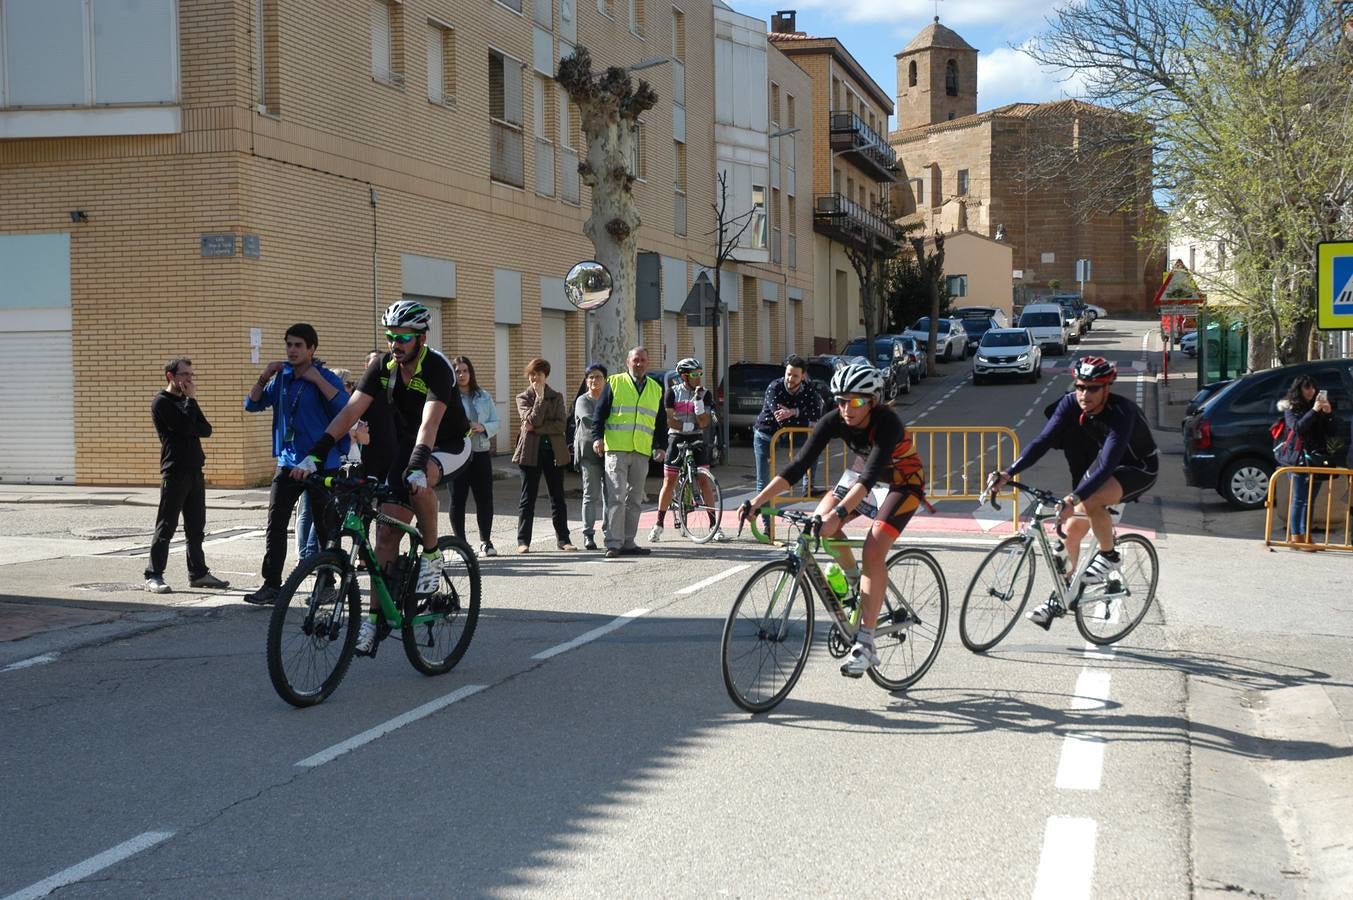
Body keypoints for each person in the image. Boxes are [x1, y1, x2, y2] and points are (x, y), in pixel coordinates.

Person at [292, 300, 471, 654]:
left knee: (420, 484)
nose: (395, 343)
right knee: (385, 533)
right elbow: (350, 412)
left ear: (421, 337)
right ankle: (374, 623)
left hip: (448, 444)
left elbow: (430, 424)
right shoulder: (382, 366)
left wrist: (418, 466)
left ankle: (432, 555)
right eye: (390, 336)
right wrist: (315, 454)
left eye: (403, 336)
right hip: (408, 447)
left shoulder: (436, 367)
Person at [737, 364, 928, 677]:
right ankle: (856, 585)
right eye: (841, 401)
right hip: (861, 477)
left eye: (855, 402)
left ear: (873, 401)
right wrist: (755, 502)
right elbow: (798, 467)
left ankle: (866, 643)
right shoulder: (834, 418)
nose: (846, 409)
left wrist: (838, 515)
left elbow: (866, 481)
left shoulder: (887, 422)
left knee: (873, 549)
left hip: (900, 482)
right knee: (818, 523)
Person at [989, 356, 1158, 628]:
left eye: (1093, 388)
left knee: (1090, 498)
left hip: (1139, 468)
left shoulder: (1121, 412)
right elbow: (1042, 441)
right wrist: (1009, 472)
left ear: (1107, 388)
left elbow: (1107, 466)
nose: (1084, 394)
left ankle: (1109, 556)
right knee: (1070, 531)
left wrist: (1073, 497)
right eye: (1080, 386)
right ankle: (1060, 598)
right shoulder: (1070, 403)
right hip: (1106, 468)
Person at [242, 325, 349, 605]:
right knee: (275, 524)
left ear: (312, 349)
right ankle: (272, 585)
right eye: (289, 344)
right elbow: (251, 405)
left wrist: (317, 379)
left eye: (298, 345)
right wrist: (264, 376)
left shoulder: (325, 377)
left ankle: (326, 583)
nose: (292, 350)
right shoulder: (282, 378)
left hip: (321, 464)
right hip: (288, 463)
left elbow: (345, 408)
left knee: (326, 527)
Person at [145, 358, 230, 594]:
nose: (190, 379)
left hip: (195, 471)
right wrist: (191, 403)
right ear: (170, 376)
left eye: (192, 375)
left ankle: (198, 573)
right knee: (167, 526)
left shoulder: (187, 401)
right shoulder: (161, 402)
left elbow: (206, 429)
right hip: (174, 472)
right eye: (185, 375)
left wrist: (190, 406)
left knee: (196, 527)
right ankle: (154, 575)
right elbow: (183, 427)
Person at [591, 345, 667, 558]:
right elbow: (599, 414)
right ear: (628, 362)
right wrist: (597, 438)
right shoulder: (614, 382)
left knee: (634, 499)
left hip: (641, 450)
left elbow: (660, 420)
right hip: (616, 449)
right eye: (635, 360)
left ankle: (628, 542)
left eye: (643, 360)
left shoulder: (655, 387)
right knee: (616, 497)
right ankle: (613, 543)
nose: (639, 364)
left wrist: (660, 446)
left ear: (648, 363)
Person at [650, 357, 728, 542]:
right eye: (695, 374)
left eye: (700, 373)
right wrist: (686, 426)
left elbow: (704, 422)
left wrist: (698, 401)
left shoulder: (706, 394)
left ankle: (714, 525)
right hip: (676, 437)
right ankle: (659, 524)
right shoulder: (672, 393)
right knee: (669, 481)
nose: (698, 377)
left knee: (703, 481)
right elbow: (670, 420)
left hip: (697, 438)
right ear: (684, 376)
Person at [295, 368, 363, 562]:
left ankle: (311, 555)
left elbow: (363, 437)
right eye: (348, 385)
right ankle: (309, 553)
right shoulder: (335, 407)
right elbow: (349, 435)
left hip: (338, 462)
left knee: (317, 511)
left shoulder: (345, 406)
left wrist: (356, 434)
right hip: (331, 463)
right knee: (319, 510)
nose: (350, 388)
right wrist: (354, 433)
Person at [751, 354, 824, 529]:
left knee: (814, 444)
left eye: (795, 376)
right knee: (764, 481)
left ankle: (808, 487)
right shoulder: (774, 387)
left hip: (792, 435)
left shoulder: (808, 390)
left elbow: (816, 414)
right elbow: (780, 419)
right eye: (788, 374)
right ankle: (768, 525)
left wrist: (793, 412)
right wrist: (803, 417)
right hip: (766, 434)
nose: (790, 379)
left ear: (803, 376)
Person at [513, 358, 576, 552]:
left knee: (557, 497)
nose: (535, 378)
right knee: (527, 498)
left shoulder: (556, 396)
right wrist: (539, 400)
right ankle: (523, 541)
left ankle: (563, 539)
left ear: (545, 376)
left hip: (554, 452)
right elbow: (530, 419)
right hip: (529, 453)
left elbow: (560, 425)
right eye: (532, 374)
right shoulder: (523, 397)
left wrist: (536, 429)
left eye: (539, 374)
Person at [451, 355, 500, 557]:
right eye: (458, 371)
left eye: (465, 371)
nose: (462, 375)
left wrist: (484, 427)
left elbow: (496, 422)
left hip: (480, 452)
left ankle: (485, 541)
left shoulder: (483, 396)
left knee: (484, 499)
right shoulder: (448, 396)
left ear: (471, 373)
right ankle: (461, 543)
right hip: (457, 454)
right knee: (458, 500)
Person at [1278, 375, 1333, 550]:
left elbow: (1331, 431)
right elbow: (1298, 428)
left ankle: (1306, 536)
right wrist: (1315, 411)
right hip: (1298, 458)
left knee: (1310, 500)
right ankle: (1297, 537)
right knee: (1300, 499)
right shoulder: (1291, 407)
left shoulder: (1317, 407)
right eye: (1306, 388)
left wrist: (1328, 413)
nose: (1311, 391)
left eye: (1313, 388)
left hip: (1316, 458)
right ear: (1299, 390)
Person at [574, 363, 608, 550]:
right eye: (590, 377)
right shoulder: (582, 400)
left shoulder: (610, 398)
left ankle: (608, 531)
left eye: (598, 377)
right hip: (589, 452)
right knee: (591, 494)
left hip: (610, 451)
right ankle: (588, 534)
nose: (594, 380)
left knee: (610, 495)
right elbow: (589, 419)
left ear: (605, 380)